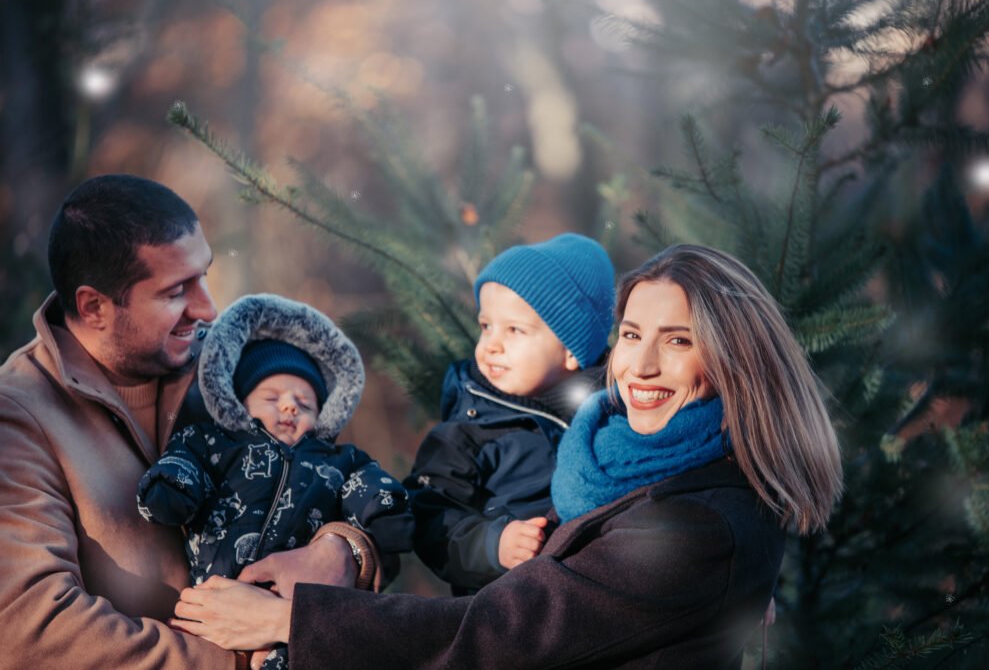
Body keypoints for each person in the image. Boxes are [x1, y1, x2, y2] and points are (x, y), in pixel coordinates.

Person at [171, 243, 844, 669]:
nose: (638, 365)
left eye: (676, 341)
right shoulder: (620, 451)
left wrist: (292, 619)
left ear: (732, 359)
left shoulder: (700, 521)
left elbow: (506, 631)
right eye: (633, 333)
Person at [0, 175, 366, 669]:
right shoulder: (18, 416)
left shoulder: (231, 365)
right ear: (94, 307)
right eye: (176, 292)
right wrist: (233, 659)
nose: (208, 308)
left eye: (204, 276)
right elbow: (33, 626)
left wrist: (344, 550)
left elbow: (345, 478)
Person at [139, 293, 415, 669]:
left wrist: (384, 513)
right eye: (272, 397)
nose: (289, 406)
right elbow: (186, 462)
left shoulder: (338, 460)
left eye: (304, 403)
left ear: (323, 415)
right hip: (213, 600)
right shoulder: (217, 444)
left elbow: (368, 485)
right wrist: (174, 487)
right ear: (240, 401)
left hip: (289, 603)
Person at [404, 233, 615, 593]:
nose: (491, 345)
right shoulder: (469, 429)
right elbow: (428, 516)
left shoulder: (613, 413)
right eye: (486, 326)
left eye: (514, 330)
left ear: (570, 349)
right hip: (499, 616)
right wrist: (492, 545)